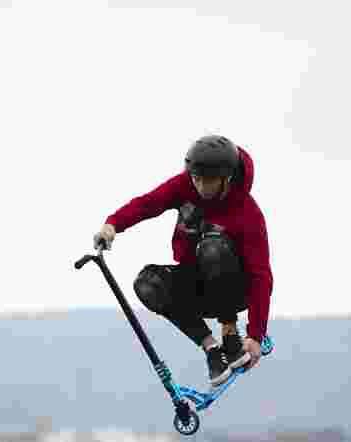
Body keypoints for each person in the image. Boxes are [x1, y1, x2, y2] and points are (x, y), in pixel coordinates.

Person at [93, 135, 273, 388]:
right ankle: (212, 350)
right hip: (197, 282)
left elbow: (261, 276)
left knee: (212, 247)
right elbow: (148, 203)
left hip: (234, 288)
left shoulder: (248, 214)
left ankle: (230, 335)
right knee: (147, 283)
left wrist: (255, 334)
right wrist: (112, 225)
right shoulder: (184, 185)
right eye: (195, 178)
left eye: (206, 181)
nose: (198, 185)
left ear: (226, 179)